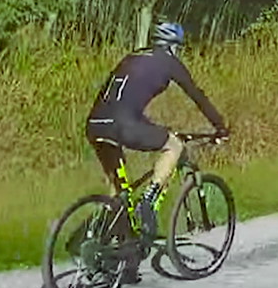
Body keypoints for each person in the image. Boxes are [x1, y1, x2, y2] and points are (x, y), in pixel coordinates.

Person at [84, 21, 228, 233]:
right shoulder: (169, 62)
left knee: (119, 190)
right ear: (173, 46)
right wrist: (220, 126)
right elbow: (197, 96)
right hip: (123, 124)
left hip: (96, 124)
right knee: (174, 146)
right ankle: (148, 202)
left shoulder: (133, 56)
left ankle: (114, 242)